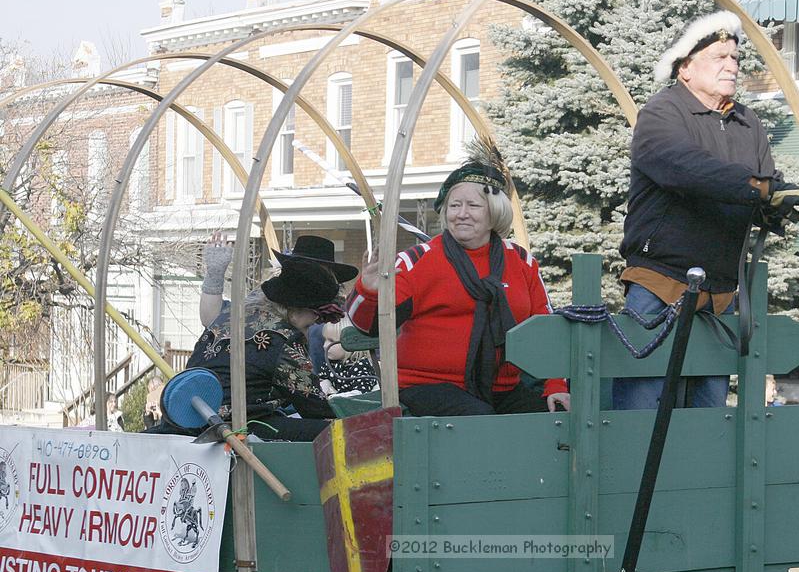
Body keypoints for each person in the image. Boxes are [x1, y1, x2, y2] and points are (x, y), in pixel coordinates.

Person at [613, 10, 799, 410]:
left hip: (720, 295)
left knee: (707, 422)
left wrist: (782, 204)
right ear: (685, 68)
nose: (731, 65)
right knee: (639, 415)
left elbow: (760, 192)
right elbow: (686, 169)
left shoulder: (748, 123)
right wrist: (760, 188)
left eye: (735, 58)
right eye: (719, 57)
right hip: (659, 284)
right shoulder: (661, 113)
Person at [346, 146, 570, 417]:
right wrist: (369, 292)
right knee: (479, 421)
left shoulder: (521, 262)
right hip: (427, 385)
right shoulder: (418, 260)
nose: (461, 214)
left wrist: (556, 385)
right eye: (454, 205)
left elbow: (546, 332)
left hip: (502, 388)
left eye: (473, 205)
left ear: (495, 212)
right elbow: (368, 325)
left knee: (549, 419)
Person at [183, 236, 358, 441]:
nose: (310, 329)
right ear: (296, 310)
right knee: (338, 433)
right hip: (233, 427)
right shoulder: (285, 339)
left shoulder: (233, 316)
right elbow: (315, 408)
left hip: (190, 417)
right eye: (310, 324)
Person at [317, 320, 379, 396]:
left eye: (331, 340)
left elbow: (362, 393)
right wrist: (324, 388)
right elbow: (324, 378)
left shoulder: (360, 365)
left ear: (352, 343)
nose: (325, 346)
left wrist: (336, 397)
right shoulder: (331, 363)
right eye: (325, 339)